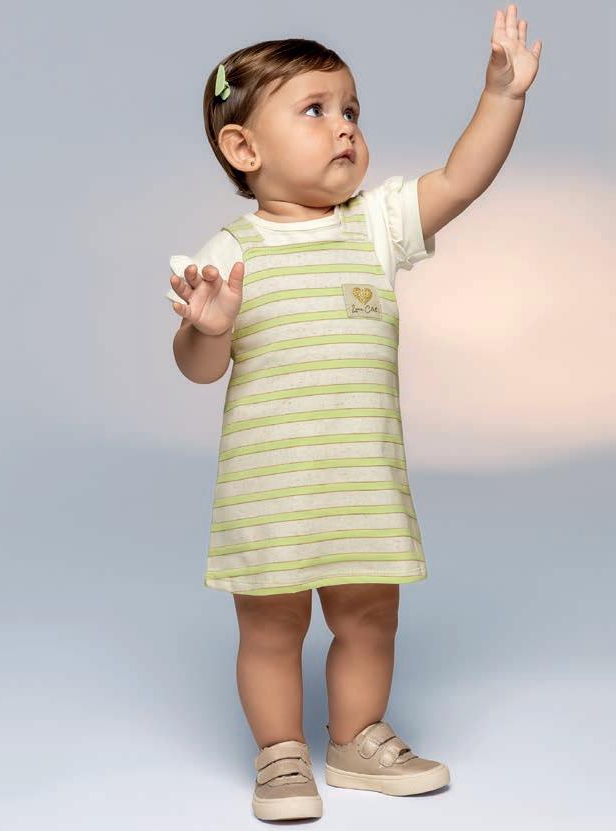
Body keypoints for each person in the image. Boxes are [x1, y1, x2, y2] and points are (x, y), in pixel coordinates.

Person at [165, 9, 542, 821]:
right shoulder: (233, 252)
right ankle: (280, 753)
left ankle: (356, 738)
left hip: (361, 485)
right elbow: (197, 370)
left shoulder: (373, 226)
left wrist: (502, 97)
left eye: (351, 110)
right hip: (269, 487)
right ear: (243, 148)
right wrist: (207, 328)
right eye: (315, 109)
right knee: (271, 627)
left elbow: (460, 180)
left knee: (370, 616)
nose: (344, 126)